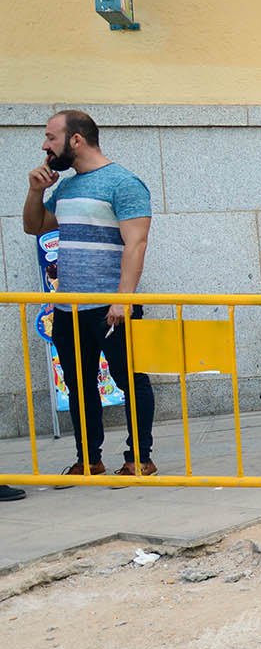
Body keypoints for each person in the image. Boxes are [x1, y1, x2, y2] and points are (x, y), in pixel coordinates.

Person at [24, 110, 156, 482]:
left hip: (112, 307)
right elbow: (34, 227)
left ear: (76, 140)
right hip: (68, 307)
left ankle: (140, 459)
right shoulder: (64, 187)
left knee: (130, 380)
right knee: (80, 386)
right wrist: (36, 192)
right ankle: (88, 459)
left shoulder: (124, 183)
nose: (44, 145)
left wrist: (123, 300)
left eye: (51, 137)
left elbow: (136, 243)